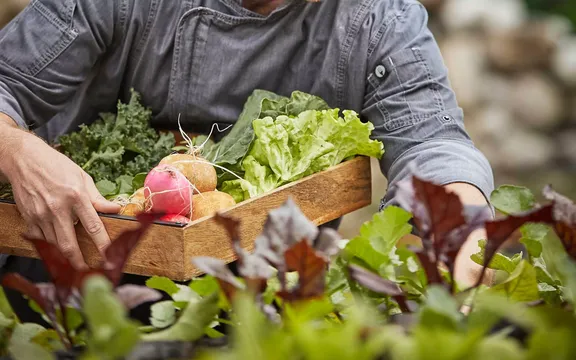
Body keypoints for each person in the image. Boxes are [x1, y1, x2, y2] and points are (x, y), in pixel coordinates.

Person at [0, 0, 494, 322]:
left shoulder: (376, 17)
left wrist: (459, 225)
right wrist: (19, 150)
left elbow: (432, 140)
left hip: (276, 288)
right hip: (78, 261)